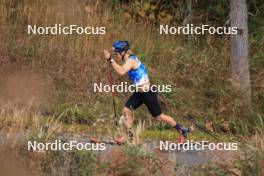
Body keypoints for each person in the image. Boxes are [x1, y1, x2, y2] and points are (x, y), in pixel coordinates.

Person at [103, 40, 191, 143]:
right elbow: (121, 68)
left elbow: (121, 72)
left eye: (117, 54)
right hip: (139, 93)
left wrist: (110, 59)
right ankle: (128, 138)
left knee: (159, 117)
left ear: (123, 52)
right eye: (115, 54)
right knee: (126, 110)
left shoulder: (131, 60)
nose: (116, 56)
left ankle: (182, 130)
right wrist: (111, 56)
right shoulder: (127, 59)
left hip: (148, 93)